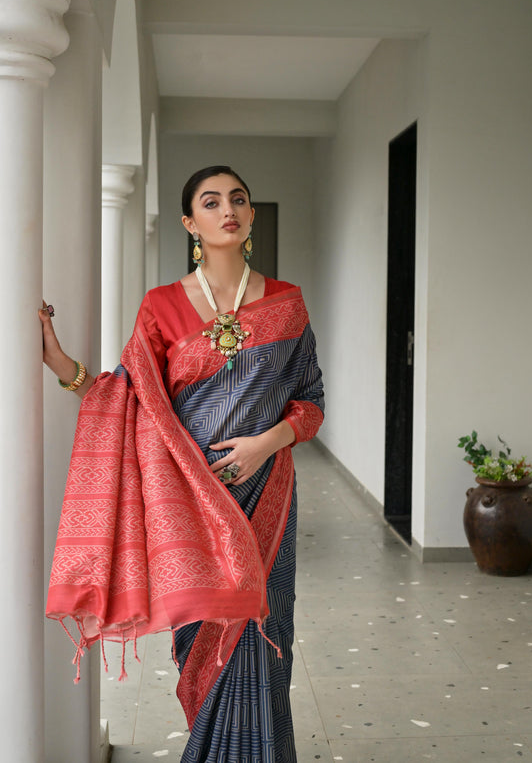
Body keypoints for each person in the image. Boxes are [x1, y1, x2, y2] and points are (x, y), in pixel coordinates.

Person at [42, 165, 324, 763]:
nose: (229, 209)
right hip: (190, 503)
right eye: (211, 201)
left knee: (264, 632)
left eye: (239, 200)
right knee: (207, 639)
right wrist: (63, 364)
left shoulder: (287, 303)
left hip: (266, 495)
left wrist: (263, 444)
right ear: (189, 222)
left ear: (249, 218)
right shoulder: (162, 306)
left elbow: (311, 403)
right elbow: (128, 397)